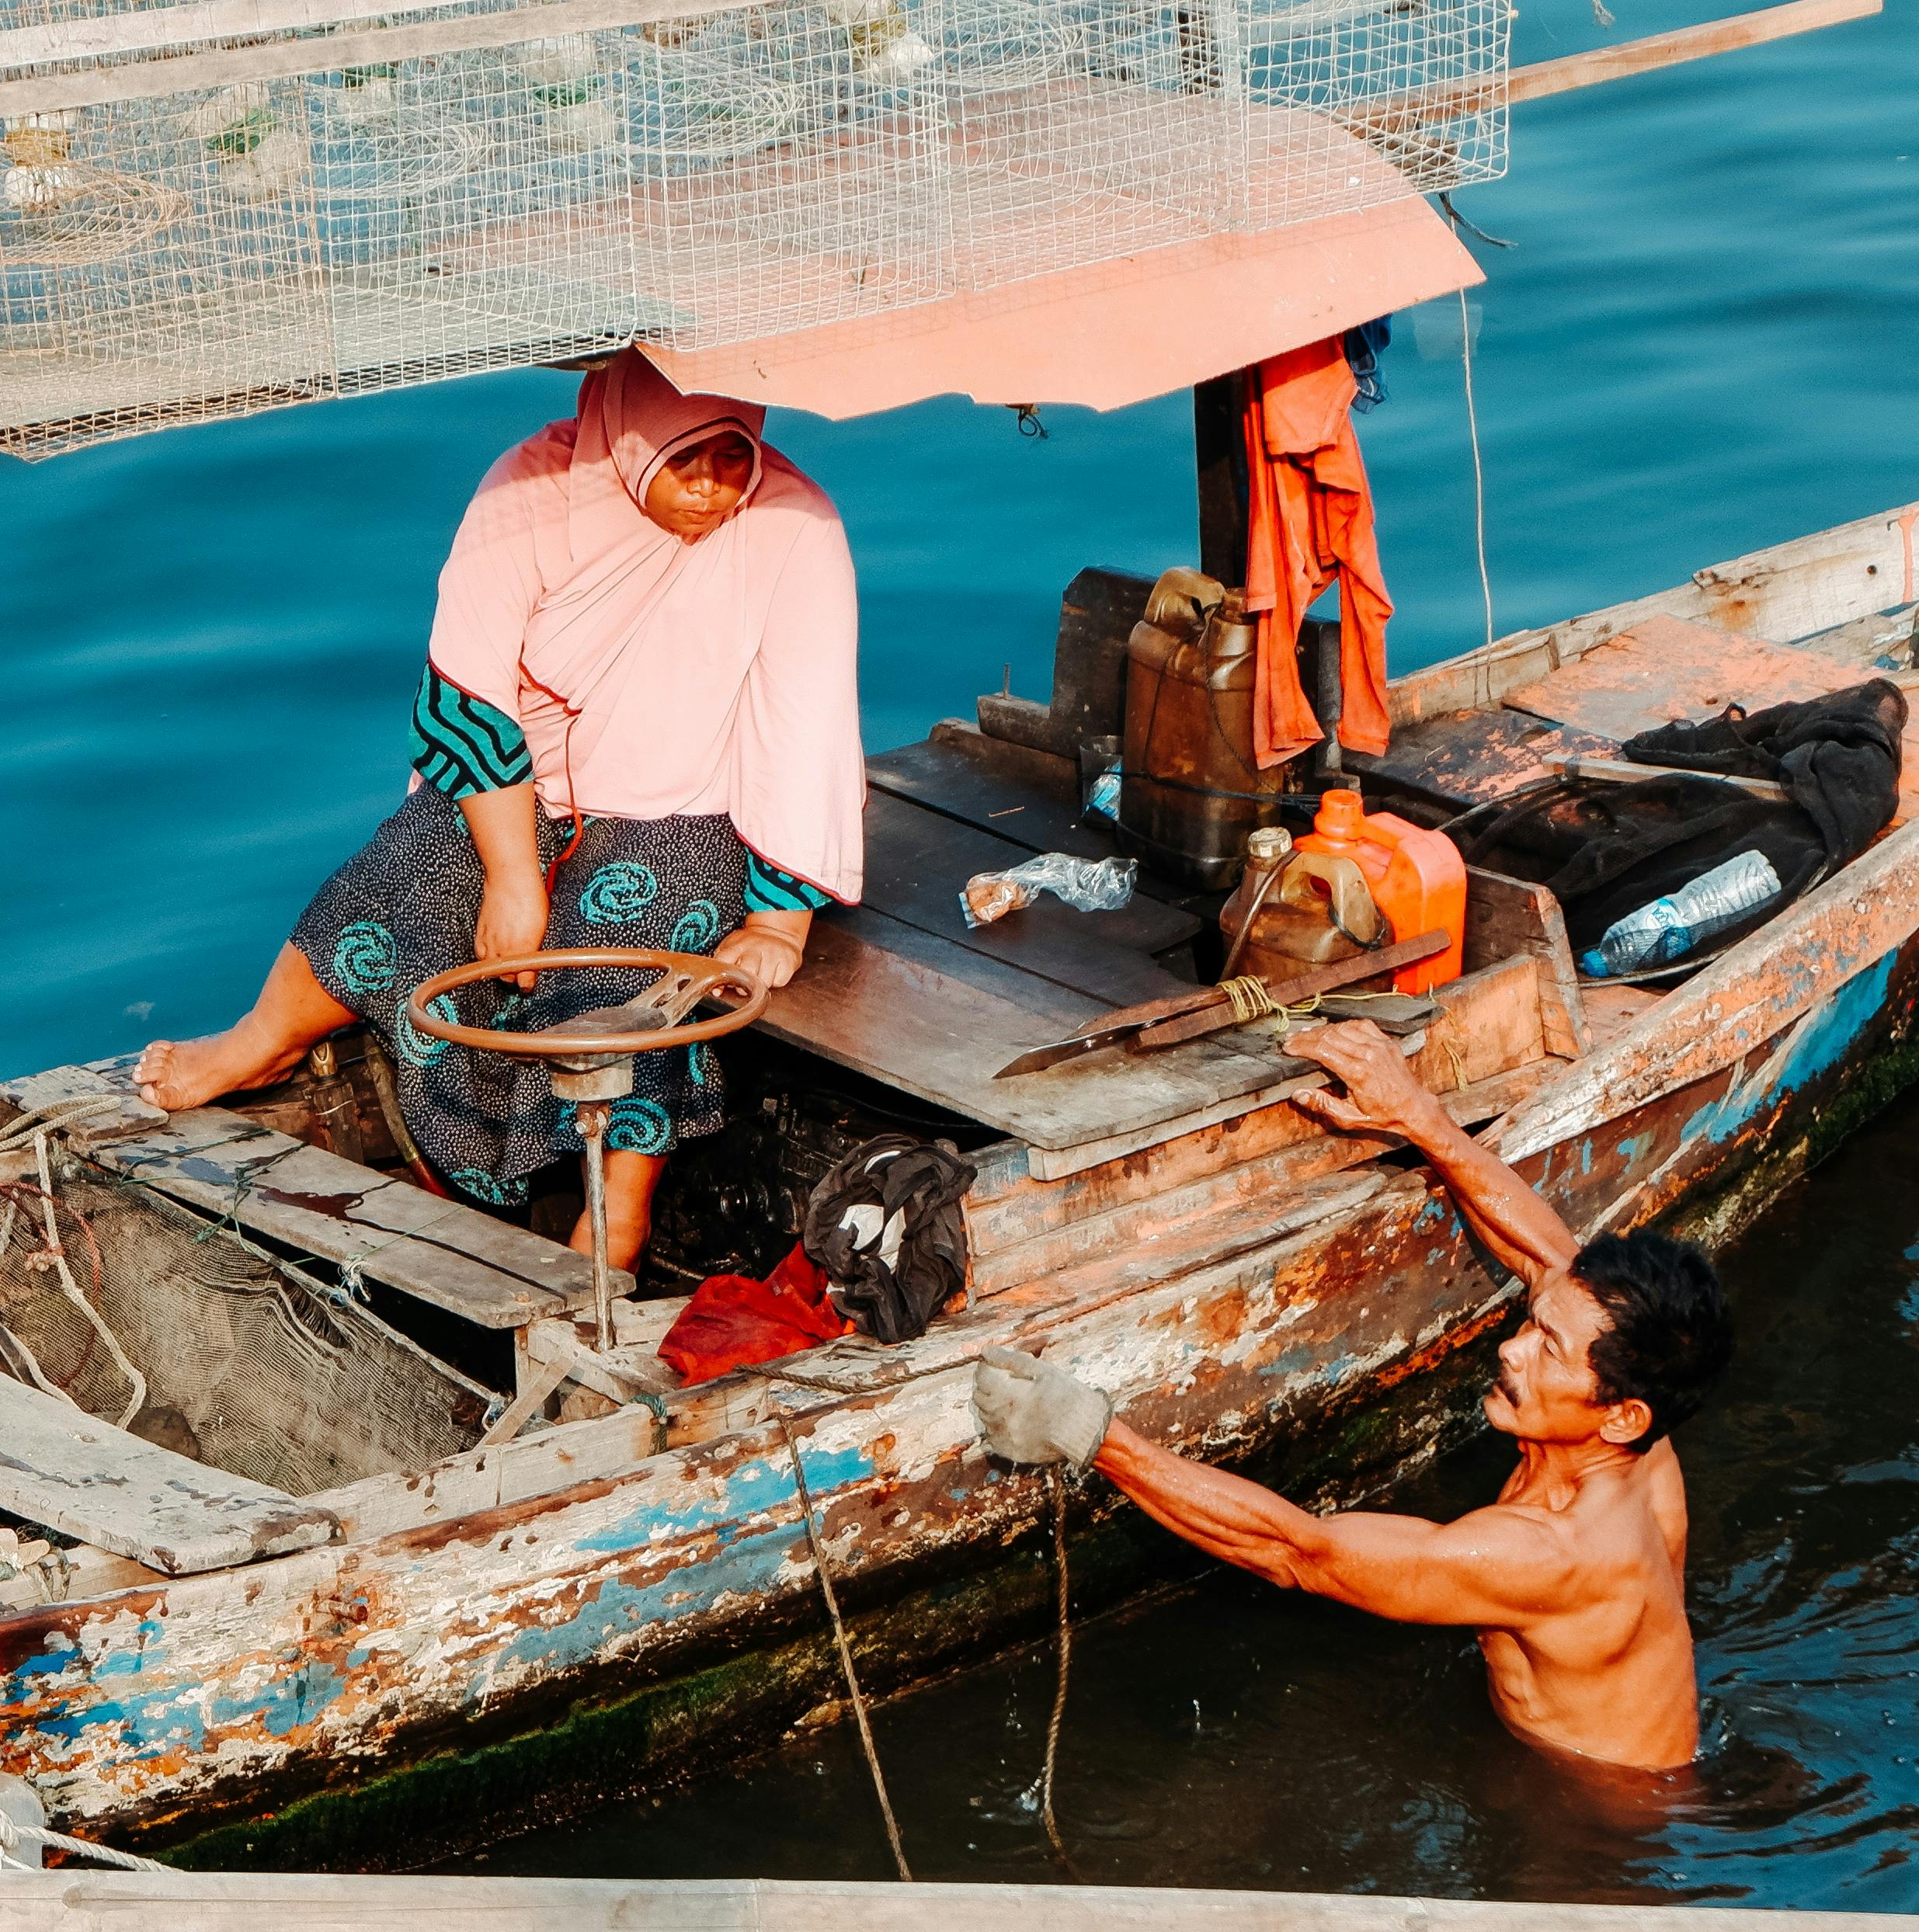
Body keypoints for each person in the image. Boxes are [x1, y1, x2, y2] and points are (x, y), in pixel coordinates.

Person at [136, 352, 866, 1270]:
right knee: (412, 867)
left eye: (732, 458)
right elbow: (468, 692)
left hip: (683, 800)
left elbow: (799, 725)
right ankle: (259, 1041)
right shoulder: (531, 487)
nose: (713, 488)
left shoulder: (795, 528)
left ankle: (617, 1215)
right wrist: (514, 873)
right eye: (686, 462)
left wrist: (777, 918)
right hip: (522, 785)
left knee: (630, 957)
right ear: (632, 439)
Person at [973, 1018, 1734, 1773]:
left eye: (1547, 1349)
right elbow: (1549, 1258)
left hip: (1598, 1818)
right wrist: (1417, 1113)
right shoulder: (1643, 1418)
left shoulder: (1547, 1554)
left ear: (1619, 1414)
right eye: (1533, 1326)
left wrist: (1088, 1431)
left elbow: (1299, 1550)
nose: (1510, 1346)